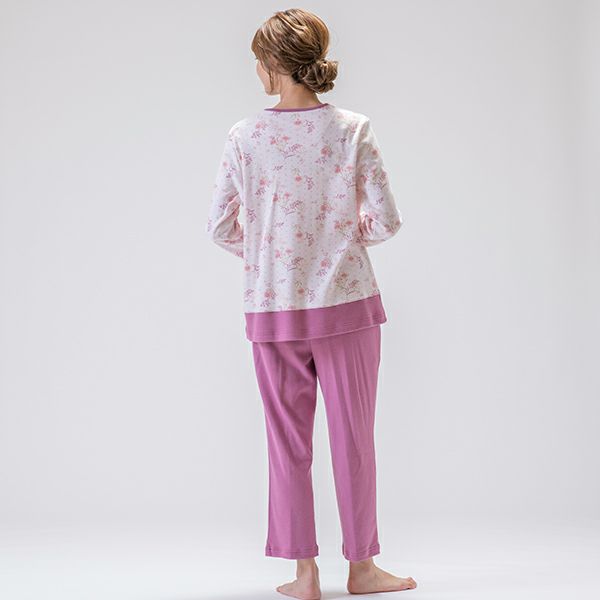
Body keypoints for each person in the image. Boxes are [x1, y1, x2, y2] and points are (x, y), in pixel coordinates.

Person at [206, 8, 417, 599]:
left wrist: (269, 252)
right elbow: (386, 220)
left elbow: (220, 227)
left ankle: (304, 576)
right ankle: (363, 569)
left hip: (271, 310)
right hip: (348, 306)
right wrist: (340, 239)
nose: (256, 70)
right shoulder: (352, 129)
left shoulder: (244, 136)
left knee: (286, 446)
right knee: (354, 441)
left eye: (258, 60)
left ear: (273, 65)